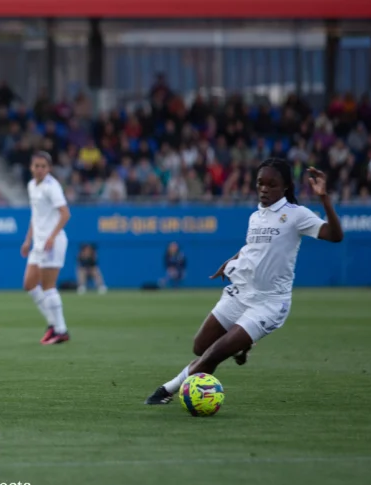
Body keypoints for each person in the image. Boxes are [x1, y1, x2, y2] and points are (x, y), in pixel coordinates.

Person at [145, 159, 344, 405]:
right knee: (200, 347)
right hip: (241, 294)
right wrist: (230, 261)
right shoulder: (255, 216)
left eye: (272, 184)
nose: (264, 189)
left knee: (213, 355)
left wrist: (324, 197)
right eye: (261, 183)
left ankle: (166, 390)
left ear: (285, 187)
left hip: (269, 304)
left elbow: (335, 235)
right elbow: (254, 248)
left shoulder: (296, 215)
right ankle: (240, 345)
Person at [21, 151, 72, 344]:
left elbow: (65, 214)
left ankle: (61, 330)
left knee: (48, 286)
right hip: (39, 242)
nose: (40, 169)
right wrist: (28, 240)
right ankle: (53, 324)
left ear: (49, 168)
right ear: (31, 167)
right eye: (37, 166)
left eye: (43, 166)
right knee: (29, 284)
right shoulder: (32, 185)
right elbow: (36, 216)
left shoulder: (52, 186)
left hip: (53, 241)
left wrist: (51, 237)